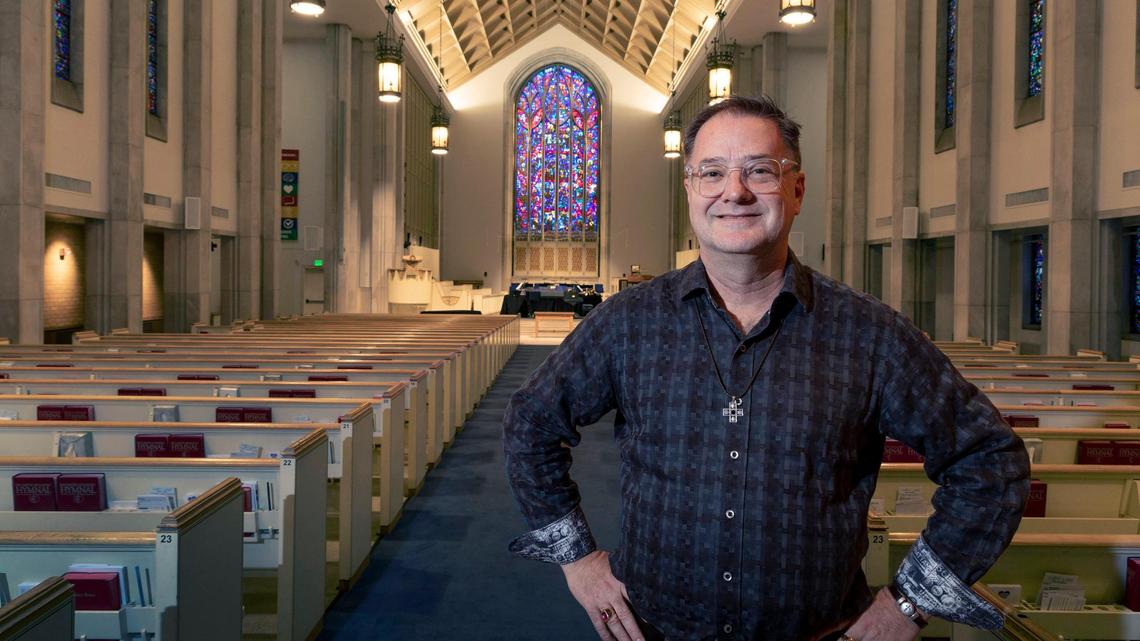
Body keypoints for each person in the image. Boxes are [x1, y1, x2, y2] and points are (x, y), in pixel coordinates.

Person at [503, 95, 1030, 641]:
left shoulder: (869, 334)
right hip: (655, 629)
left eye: (760, 170)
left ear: (797, 189)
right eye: (712, 172)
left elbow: (990, 461)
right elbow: (531, 423)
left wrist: (909, 603)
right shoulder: (628, 323)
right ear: (690, 190)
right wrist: (578, 562)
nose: (735, 191)